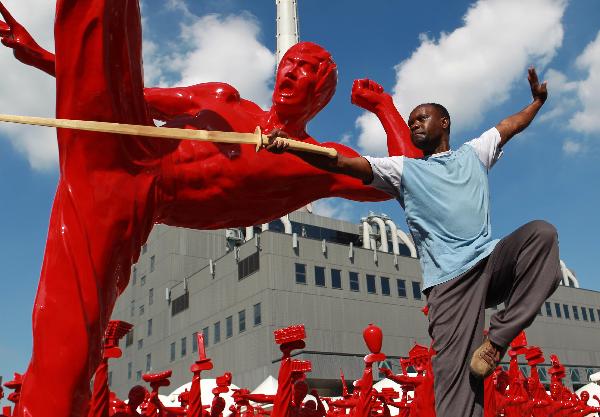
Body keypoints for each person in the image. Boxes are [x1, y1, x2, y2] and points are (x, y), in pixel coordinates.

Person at [0, 2, 423, 416]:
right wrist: (38, 56)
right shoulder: (224, 100)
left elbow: (406, 176)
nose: (293, 71)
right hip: (128, 148)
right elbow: (129, 94)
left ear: (321, 93)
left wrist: (383, 108)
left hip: (134, 199)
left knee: (70, 337)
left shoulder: (314, 160)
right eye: (290, 62)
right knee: (101, 17)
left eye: (308, 70)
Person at [268, 68, 561, 417]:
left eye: (421, 118)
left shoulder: (475, 153)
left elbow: (512, 124)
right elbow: (340, 162)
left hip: (490, 261)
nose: (414, 126)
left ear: (445, 122)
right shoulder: (402, 170)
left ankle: (496, 341)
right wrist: (292, 147)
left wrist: (537, 103)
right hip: (449, 284)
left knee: (542, 236)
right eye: (410, 123)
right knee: (458, 384)